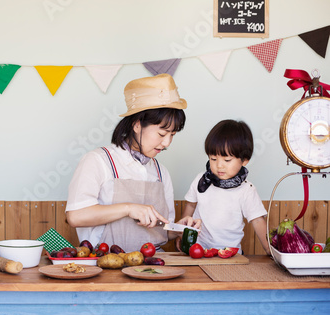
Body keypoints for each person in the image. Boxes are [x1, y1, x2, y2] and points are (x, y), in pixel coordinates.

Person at [66, 73, 201, 252]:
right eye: (162, 134)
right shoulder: (98, 160)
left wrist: (178, 229)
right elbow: (75, 217)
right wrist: (129, 208)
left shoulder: (161, 173)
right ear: (137, 125)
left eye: (172, 135)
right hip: (105, 265)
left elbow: (163, 233)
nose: (167, 143)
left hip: (155, 267)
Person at [181, 119, 270, 254]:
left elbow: (258, 221)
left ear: (245, 160)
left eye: (227, 160)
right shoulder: (201, 180)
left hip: (231, 255)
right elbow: (190, 205)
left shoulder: (246, 190)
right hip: (198, 251)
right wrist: (182, 235)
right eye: (213, 159)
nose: (219, 165)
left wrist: (270, 250)